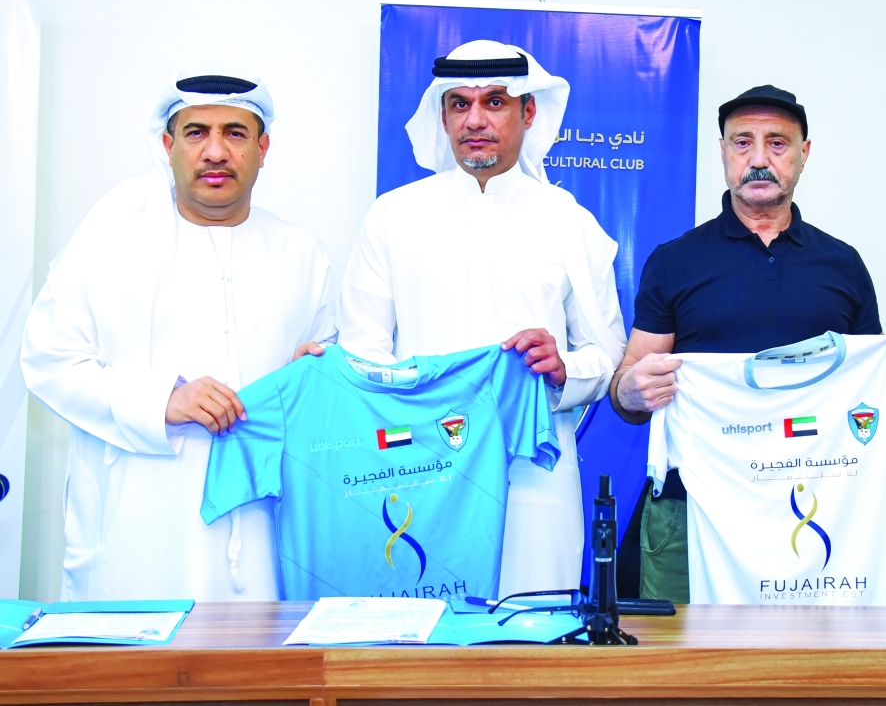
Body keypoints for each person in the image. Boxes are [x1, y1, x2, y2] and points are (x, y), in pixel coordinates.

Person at [610, 85, 886, 603]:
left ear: (804, 153)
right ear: (723, 152)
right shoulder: (674, 261)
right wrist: (631, 390)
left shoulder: (842, 264)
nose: (759, 159)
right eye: (743, 142)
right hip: (693, 506)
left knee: (810, 650)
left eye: (778, 143)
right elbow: (628, 386)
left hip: (817, 504)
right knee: (683, 653)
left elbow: (869, 391)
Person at [22, 72, 333, 601]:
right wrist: (162, 400)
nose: (215, 151)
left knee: (259, 647)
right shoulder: (111, 241)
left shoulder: (301, 253)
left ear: (263, 149)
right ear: (168, 146)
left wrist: (315, 377)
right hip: (139, 530)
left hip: (263, 529)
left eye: (235, 133)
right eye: (196, 133)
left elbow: (322, 380)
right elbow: (48, 361)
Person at [338, 40, 626, 596]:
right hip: (418, 472)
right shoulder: (392, 217)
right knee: (423, 632)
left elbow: (606, 355)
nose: (475, 120)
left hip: (532, 478)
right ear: (442, 115)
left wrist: (563, 368)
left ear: (528, 111)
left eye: (495, 102)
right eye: (459, 104)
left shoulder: (569, 222)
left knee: (531, 628)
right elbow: (361, 353)